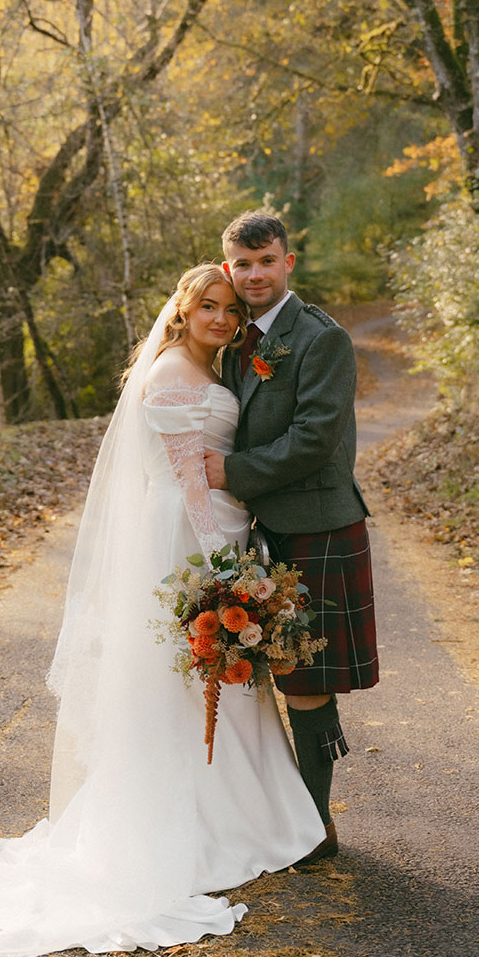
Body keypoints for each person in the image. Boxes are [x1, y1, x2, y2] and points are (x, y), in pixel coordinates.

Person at [0, 265, 324, 957]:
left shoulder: (203, 366)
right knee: (189, 677)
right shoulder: (172, 377)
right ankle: (208, 822)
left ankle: (244, 812)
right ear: (181, 312)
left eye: (227, 308)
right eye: (206, 306)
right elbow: (190, 481)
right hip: (190, 537)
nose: (220, 317)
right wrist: (223, 569)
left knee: (209, 676)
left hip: (215, 529)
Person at [207, 211, 378, 865]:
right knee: (279, 667)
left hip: (319, 525)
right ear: (229, 268)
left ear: (288, 264)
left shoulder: (319, 339)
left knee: (304, 674)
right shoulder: (235, 339)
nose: (254, 274)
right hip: (264, 529)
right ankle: (295, 821)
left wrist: (233, 472)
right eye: (242, 265)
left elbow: (315, 438)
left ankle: (314, 827)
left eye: (266, 261)